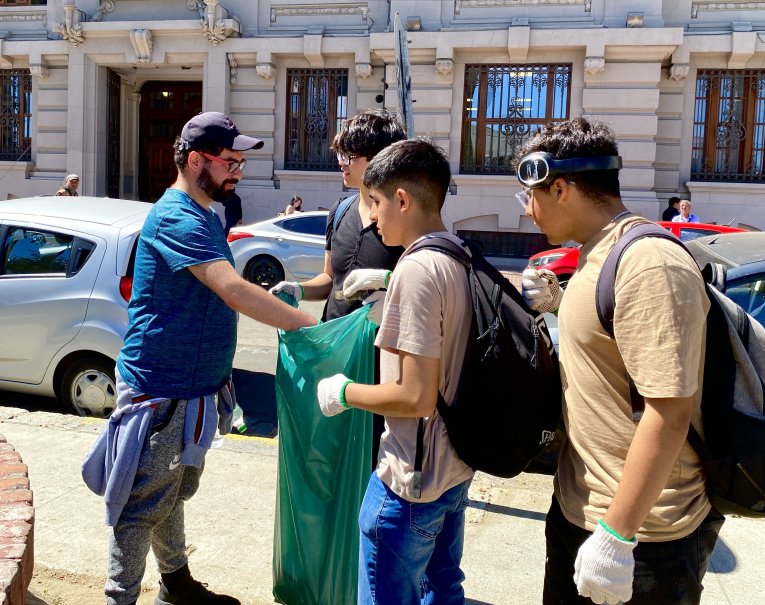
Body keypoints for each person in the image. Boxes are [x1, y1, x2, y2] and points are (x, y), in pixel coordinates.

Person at [82, 111, 317, 605]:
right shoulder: (175, 216)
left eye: (239, 162)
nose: (238, 171)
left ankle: (176, 583)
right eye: (230, 161)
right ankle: (118, 598)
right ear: (195, 160)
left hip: (192, 386)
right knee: (141, 502)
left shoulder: (206, 214)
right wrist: (317, 329)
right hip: (163, 385)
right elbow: (230, 288)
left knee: (171, 490)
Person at [515, 118, 723, 605]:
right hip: (581, 513)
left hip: (644, 539)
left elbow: (669, 409)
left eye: (532, 195)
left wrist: (616, 535)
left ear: (561, 187)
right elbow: (611, 347)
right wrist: (558, 303)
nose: (528, 211)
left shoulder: (649, 263)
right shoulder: (594, 253)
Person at [316, 138, 474, 604]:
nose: (372, 215)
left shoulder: (416, 268)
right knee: (444, 587)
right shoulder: (457, 252)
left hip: (410, 479)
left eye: (376, 201)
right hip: (454, 468)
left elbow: (414, 397)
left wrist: (344, 392)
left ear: (402, 199)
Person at [270, 108, 407, 463]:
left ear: (377, 159)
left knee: (372, 454)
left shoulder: (402, 217)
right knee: (331, 451)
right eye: (339, 155)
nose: (341, 164)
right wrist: (299, 289)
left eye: (349, 156)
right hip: (335, 352)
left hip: (381, 361)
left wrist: (389, 286)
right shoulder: (339, 211)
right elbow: (330, 279)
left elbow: (429, 284)